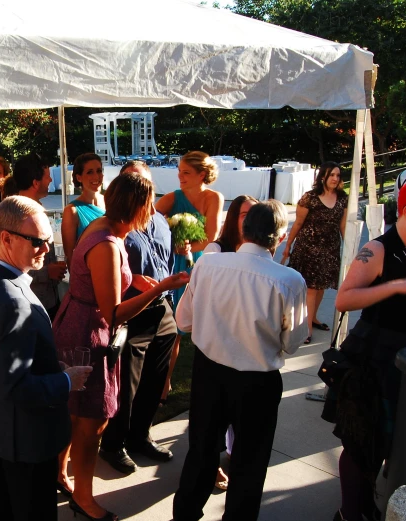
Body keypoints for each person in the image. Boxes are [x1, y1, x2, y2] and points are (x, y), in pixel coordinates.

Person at [53, 172, 190, 521]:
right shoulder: (108, 244)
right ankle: (84, 498)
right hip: (88, 334)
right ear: (139, 207)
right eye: (149, 203)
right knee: (91, 422)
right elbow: (113, 313)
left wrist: (138, 282)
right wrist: (159, 289)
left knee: (76, 411)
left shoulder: (104, 226)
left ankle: (60, 472)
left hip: (78, 323)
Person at [173, 200, 308, 521]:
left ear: (243, 229)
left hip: (210, 373)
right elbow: (292, 343)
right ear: (281, 236)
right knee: (249, 462)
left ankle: (185, 516)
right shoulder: (289, 280)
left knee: (201, 452)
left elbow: (184, 320)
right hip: (257, 382)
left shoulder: (208, 265)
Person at [0, 196, 92, 521]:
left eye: (48, 240)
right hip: (27, 441)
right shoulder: (13, 301)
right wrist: (67, 380)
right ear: (6, 238)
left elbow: (2, 360)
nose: (46, 249)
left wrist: (50, 365)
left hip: (2, 434)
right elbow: (17, 387)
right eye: (37, 241)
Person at [328, 179, 406, 521]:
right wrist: (401, 285)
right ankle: (348, 513)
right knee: (361, 441)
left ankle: (365, 505)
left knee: (382, 444)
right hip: (374, 362)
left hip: (404, 365)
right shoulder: (379, 249)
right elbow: (344, 298)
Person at [97, 161, 183, 480]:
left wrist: (167, 298)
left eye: (143, 183)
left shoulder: (160, 220)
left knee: (155, 379)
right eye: (131, 182)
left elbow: (166, 259)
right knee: (127, 383)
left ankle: (141, 435)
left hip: (162, 307)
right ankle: (113, 443)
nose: (140, 190)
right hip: (133, 309)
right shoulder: (115, 225)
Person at [155, 150, 223, 402]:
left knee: (204, 324)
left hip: (200, 266)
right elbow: (150, 220)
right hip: (174, 264)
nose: (180, 177)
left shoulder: (214, 198)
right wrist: (169, 241)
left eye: (185, 172)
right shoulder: (173, 197)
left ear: (201, 175)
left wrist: (189, 247)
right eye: (179, 172)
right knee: (172, 328)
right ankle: (164, 383)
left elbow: (212, 235)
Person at [201, 193, 258, 491]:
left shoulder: (259, 251)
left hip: (247, 345)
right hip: (219, 345)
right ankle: (210, 466)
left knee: (240, 416)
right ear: (232, 217)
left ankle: (234, 458)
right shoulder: (217, 249)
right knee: (214, 418)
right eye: (242, 213)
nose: (248, 219)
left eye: (253, 213)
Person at [281, 161, 348, 342]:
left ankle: (313, 317)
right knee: (311, 288)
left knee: (321, 287)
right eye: (331, 175)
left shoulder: (343, 198)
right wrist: (288, 246)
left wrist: (349, 248)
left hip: (330, 248)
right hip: (308, 247)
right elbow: (298, 223)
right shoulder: (309, 197)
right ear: (323, 177)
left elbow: (343, 225)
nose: (335, 178)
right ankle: (306, 327)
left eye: (338, 175)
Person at [14, 153, 66, 318]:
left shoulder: (37, 209)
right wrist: (46, 272)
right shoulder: (15, 216)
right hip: (29, 306)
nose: (50, 181)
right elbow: (8, 266)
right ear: (35, 183)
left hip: (47, 300)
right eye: (48, 177)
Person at [61, 153, 106, 264]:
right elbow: (70, 256)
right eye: (90, 172)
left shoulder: (110, 202)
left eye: (99, 171)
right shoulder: (72, 211)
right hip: (87, 274)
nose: (96, 176)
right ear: (79, 177)